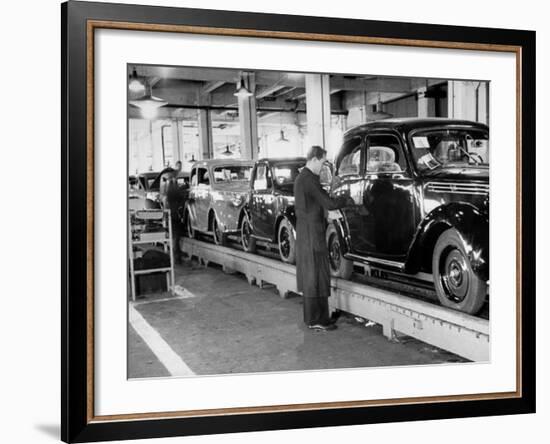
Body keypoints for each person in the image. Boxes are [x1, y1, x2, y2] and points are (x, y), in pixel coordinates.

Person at [294, 145, 347, 331]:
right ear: (314, 159)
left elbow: (313, 205)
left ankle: (320, 317)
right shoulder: (308, 179)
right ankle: (315, 320)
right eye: (323, 163)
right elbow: (328, 202)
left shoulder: (304, 178)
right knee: (314, 276)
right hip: (311, 235)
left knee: (317, 274)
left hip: (309, 231)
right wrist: (348, 198)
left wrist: (326, 215)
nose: (323, 167)